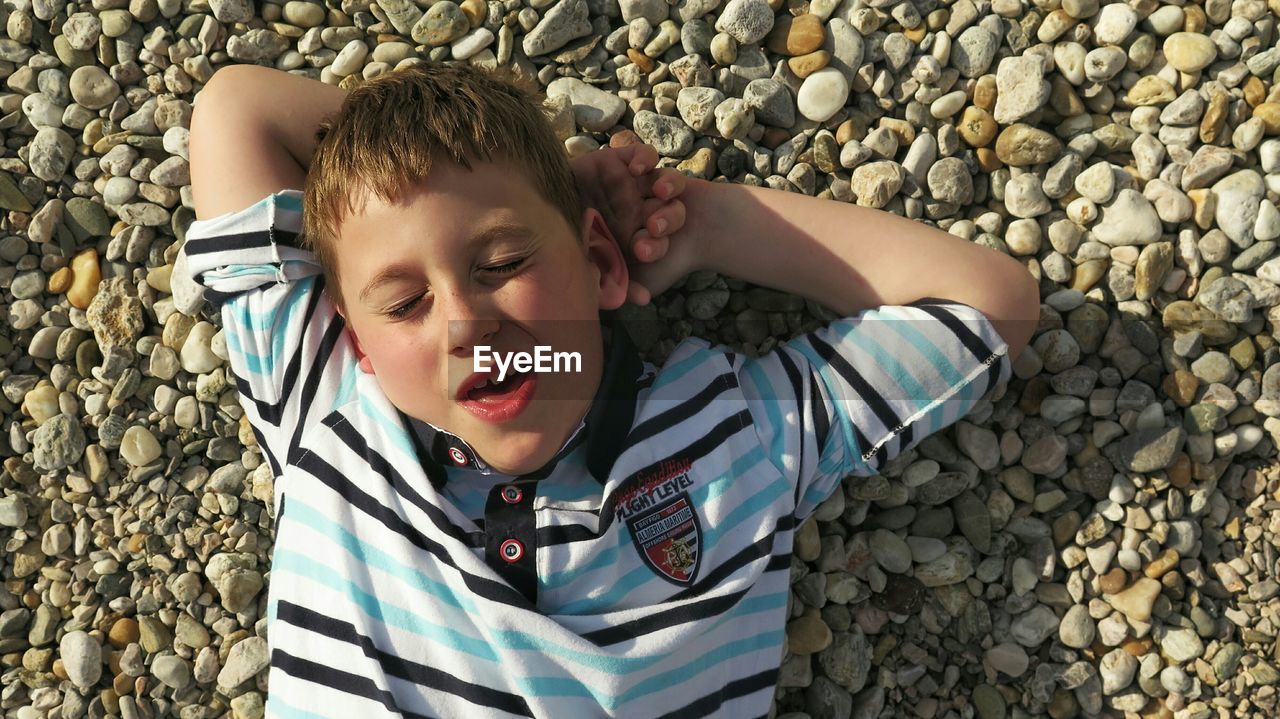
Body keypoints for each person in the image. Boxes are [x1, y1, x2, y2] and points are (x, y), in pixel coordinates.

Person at [176, 61, 1039, 718]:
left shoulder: (738, 436)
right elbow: (233, 109)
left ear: (594, 260)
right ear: (358, 338)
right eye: (405, 302)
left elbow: (989, 303)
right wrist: (518, 165)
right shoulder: (322, 401)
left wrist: (701, 222)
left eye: (505, 263)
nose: (464, 326)